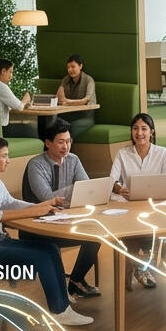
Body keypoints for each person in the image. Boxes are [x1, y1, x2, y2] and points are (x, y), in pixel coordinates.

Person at [0, 137, 93, 326]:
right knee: (42, 256)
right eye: (4, 156)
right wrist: (37, 211)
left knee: (51, 248)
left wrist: (44, 205)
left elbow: (11, 202)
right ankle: (59, 310)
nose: (8, 160)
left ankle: (62, 304)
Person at [21, 120, 102, 298]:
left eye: (68, 141)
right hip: (39, 226)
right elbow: (47, 198)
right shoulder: (36, 164)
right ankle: (60, 289)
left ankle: (76, 281)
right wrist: (75, 190)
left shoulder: (74, 160)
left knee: (95, 236)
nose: (66, 146)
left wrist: (77, 192)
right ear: (48, 143)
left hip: (65, 219)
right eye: (60, 142)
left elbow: (87, 189)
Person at [106, 112, 166, 289]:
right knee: (133, 228)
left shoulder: (162, 153)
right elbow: (111, 181)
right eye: (135, 129)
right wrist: (120, 189)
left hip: (154, 205)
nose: (139, 133)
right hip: (129, 206)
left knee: (154, 225)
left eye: (144, 129)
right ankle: (139, 266)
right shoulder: (123, 153)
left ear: (152, 132)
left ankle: (141, 266)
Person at [54, 55, 99, 139]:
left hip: (85, 117)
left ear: (80, 66)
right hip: (68, 115)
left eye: (73, 66)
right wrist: (61, 93)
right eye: (68, 67)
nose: (70, 70)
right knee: (51, 122)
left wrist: (67, 101)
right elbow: (59, 99)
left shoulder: (89, 80)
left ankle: (66, 146)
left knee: (69, 127)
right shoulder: (66, 79)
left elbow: (86, 100)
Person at [0, 58, 33, 138]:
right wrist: (26, 99)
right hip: (1, 128)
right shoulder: (2, 87)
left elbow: (10, 105)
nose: (11, 75)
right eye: (10, 72)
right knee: (30, 129)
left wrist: (23, 104)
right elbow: (19, 107)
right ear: (3, 71)